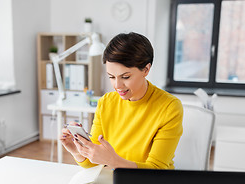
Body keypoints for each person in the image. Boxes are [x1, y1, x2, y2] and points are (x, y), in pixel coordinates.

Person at [60, 32, 183, 169]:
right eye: (111, 77)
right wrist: (77, 152)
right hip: (114, 180)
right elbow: (94, 162)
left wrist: (113, 161)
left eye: (125, 77)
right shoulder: (106, 102)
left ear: (146, 69)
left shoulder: (169, 107)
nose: (117, 86)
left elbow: (156, 169)